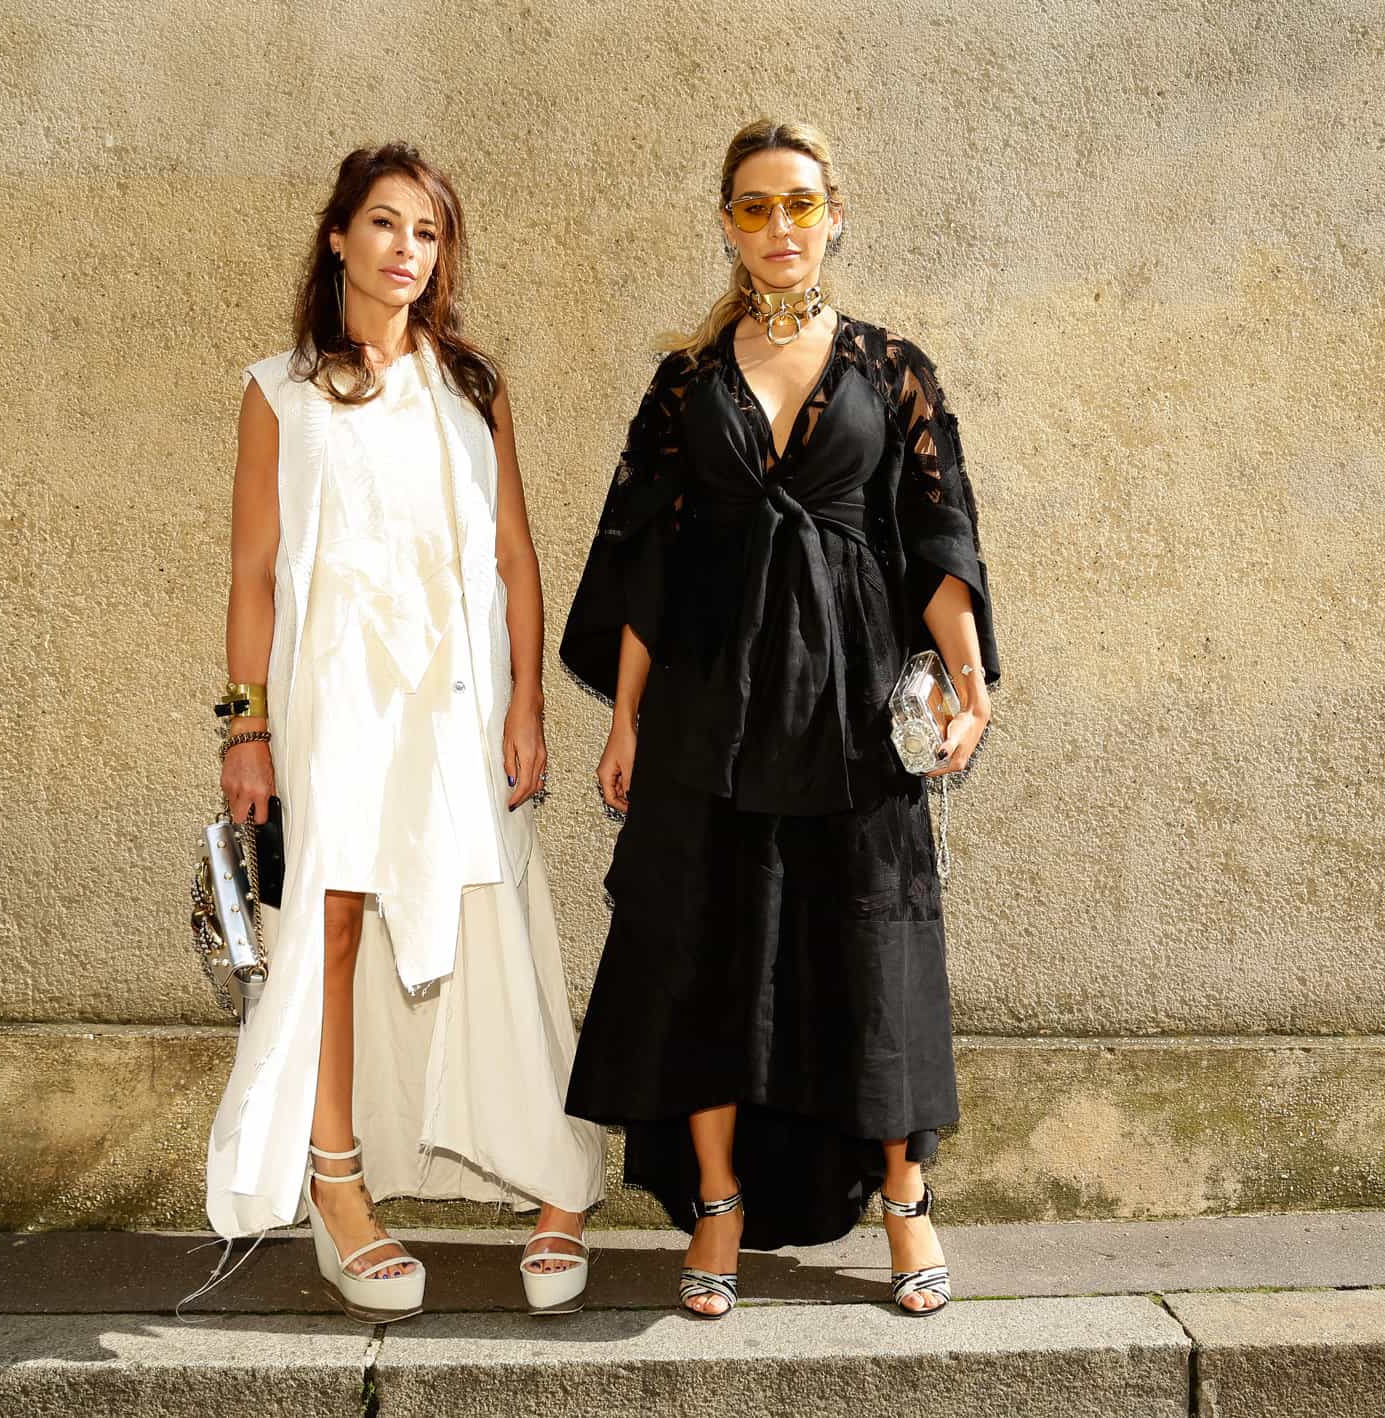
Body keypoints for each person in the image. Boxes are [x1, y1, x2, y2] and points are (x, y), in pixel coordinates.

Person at [560, 118, 998, 1319]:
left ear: (835, 214)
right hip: (713, 698)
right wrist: (626, 719)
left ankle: (905, 1196)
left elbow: (938, 533)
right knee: (704, 943)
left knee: (875, 941)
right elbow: (649, 556)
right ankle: (717, 1200)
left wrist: (974, 688)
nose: (779, 227)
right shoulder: (685, 380)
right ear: (726, 224)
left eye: (799, 204)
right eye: (754, 207)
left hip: (854, 699)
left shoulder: (891, 364)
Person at [205, 141, 603, 1322]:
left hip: (459, 699)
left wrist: (529, 696)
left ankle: (558, 1175)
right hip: (333, 697)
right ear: (339, 236)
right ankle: (339, 1184)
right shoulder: (278, 390)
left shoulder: (474, 384)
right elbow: (253, 571)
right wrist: (245, 728)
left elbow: (515, 554)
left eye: (426, 232)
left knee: (497, 912)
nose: (405, 251)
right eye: (385, 224)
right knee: (324, 926)